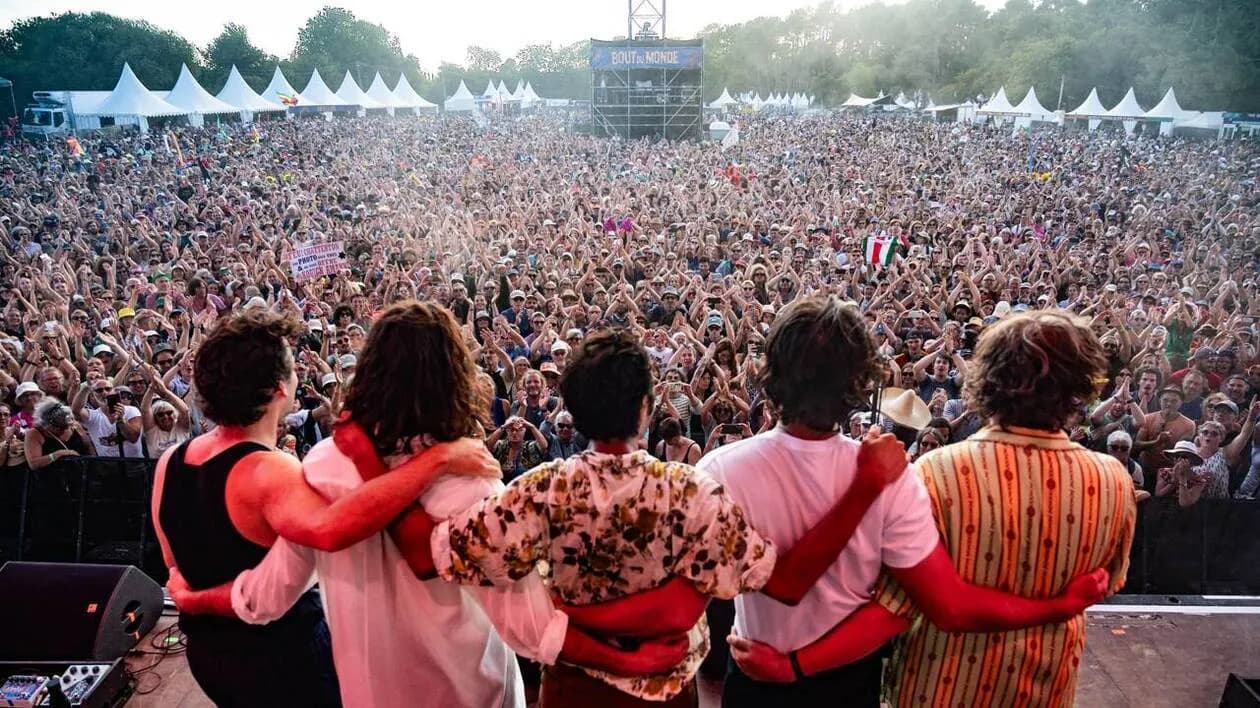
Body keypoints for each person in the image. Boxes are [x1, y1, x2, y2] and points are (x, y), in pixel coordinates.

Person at [170, 301, 688, 708]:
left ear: (369, 372)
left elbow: (267, 595)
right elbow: (531, 628)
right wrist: (630, 659)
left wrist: (195, 599)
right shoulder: (471, 478)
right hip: (470, 695)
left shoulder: (323, 466)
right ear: (455, 377)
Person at [421, 328, 913, 706]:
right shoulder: (690, 492)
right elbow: (786, 582)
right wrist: (864, 487)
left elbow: (443, 552)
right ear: (647, 408)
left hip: (574, 688)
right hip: (666, 692)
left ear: (572, 409)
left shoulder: (540, 490)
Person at [705, 298, 1110, 707]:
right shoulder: (893, 475)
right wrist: (1058, 606)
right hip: (847, 682)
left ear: (771, 373)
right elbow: (945, 605)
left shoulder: (719, 470)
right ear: (859, 381)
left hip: (753, 673)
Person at [153, 309, 499, 707]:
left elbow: (173, 561)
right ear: (281, 388)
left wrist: (192, 600)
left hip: (207, 654)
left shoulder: (171, 461)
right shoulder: (272, 471)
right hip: (284, 664)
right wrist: (436, 461)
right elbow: (331, 530)